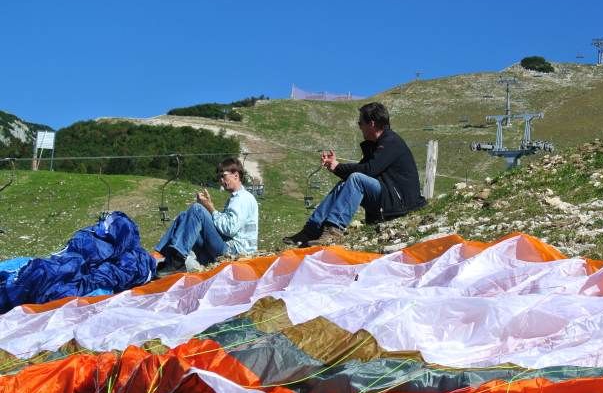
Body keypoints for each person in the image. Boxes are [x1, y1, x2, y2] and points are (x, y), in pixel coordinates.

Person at [283, 102, 426, 247]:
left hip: (401, 203)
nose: (360, 127)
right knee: (345, 184)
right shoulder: (377, 144)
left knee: (356, 179)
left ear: (371, 124)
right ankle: (310, 230)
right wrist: (336, 167)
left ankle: (334, 231)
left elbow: (368, 170)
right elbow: (361, 169)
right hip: (388, 196)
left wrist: (338, 167)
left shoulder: (391, 142)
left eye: (360, 123)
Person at [156, 157, 258, 273]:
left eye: (223, 176)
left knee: (197, 209)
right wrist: (209, 208)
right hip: (230, 246)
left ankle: (177, 261)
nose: (221, 181)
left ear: (236, 175)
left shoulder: (242, 199)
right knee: (184, 216)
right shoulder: (237, 198)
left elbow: (229, 229)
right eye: (219, 177)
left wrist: (210, 208)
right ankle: (166, 256)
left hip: (235, 251)